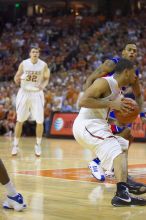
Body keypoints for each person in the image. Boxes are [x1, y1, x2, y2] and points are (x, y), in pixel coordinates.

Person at [73, 58, 146, 206]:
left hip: (99, 125)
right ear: (126, 72)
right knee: (115, 149)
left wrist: (123, 114)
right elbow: (82, 102)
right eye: (133, 74)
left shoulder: (118, 92)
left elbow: (105, 112)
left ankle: (124, 185)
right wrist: (112, 104)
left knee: (123, 144)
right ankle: (121, 194)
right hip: (86, 124)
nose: (135, 78)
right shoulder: (104, 82)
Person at [84, 43, 146, 180]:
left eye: (135, 51)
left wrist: (142, 114)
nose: (132, 53)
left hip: (114, 105)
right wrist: (88, 100)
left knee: (128, 136)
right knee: (122, 134)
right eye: (129, 50)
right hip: (102, 104)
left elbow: (139, 95)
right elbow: (90, 78)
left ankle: (112, 165)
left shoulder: (133, 72)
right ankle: (98, 162)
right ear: (123, 52)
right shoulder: (112, 64)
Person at [11, 47, 50, 156]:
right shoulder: (24, 63)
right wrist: (16, 79)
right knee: (19, 120)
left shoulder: (43, 65)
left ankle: (38, 145)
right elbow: (17, 75)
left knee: (40, 121)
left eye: (37, 52)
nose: (35, 53)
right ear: (30, 53)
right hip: (24, 92)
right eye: (33, 51)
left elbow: (46, 78)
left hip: (37, 93)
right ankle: (15, 145)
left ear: (39, 54)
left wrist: (43, 85)